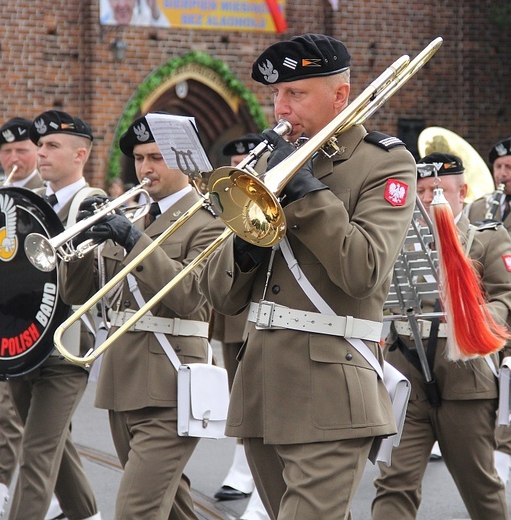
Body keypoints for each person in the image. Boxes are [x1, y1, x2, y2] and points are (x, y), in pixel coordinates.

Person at [199, 33, 417, 519]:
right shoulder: (266, 165)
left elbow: (363, 269)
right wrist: (247, 241)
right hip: (259, 385)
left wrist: (303, 189)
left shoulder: (383, 162)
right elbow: (218, 293)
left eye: (295, 94)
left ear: (340, 96)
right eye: (276, 95)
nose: (281, 108)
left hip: (331, 386)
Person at [59, 114, 224, 519]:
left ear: (185, 160)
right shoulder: (133, 217)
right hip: (122, 381)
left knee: (136, 509)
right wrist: (78, 238)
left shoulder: (209, 221)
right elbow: (78, 294)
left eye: (156, 157)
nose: (145, 169)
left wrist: (135, 241)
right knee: (171, 508)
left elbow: (188, 296)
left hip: (171, 383)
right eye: (138, 158)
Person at [372, 152, 511, 520]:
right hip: (405, 366)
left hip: (465, 371)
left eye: (436, 191)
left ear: (462, 191)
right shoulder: (394, 239)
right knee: (394, 482)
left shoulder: (487, 238)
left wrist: (477, 316)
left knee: (479, 485)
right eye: (418, 192)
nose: (426, 201)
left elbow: (507, 295)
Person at [0, 117, 62, 520]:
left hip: (31, 321)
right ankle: (65, 502)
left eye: (22, 150)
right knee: (39, 425)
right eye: (6, 152)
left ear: (37, 153)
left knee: (11, 412)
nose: (13, 158)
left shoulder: (44, 198)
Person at [5, 110, 103, 520]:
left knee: (36, 451)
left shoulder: (92, 204)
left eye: (51, 146)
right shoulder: (31, 202)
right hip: (24, 343)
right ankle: (86, 514)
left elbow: (91, 280)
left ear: (80, 154)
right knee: (50, 442)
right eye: (40, 146)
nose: (40, 154)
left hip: (65, 349)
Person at [211, 133, 269, 520]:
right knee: (240, 392)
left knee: (260, 395)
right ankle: (244, 466)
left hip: (266, 307)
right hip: (232, 307)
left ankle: (250, 473)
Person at [465, 136, 511, 486]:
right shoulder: (480, 208)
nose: (502, 174)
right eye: (498, 167)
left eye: (509, 167)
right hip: (492, 304)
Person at [101, 0, 169, 27]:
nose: (122, 4)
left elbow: (165, 36)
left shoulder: (144, 22)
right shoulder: (103, 24)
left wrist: (154, 9)